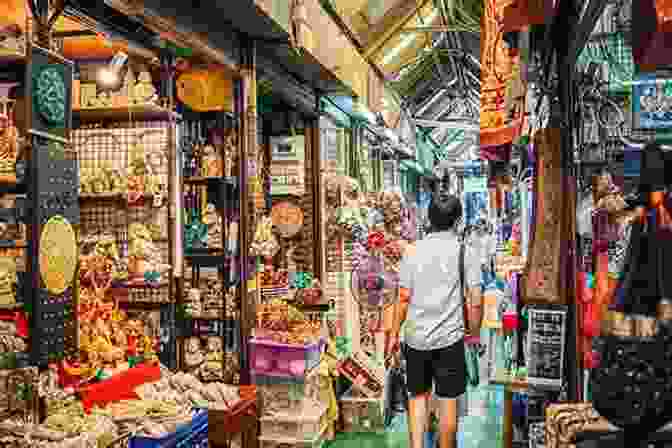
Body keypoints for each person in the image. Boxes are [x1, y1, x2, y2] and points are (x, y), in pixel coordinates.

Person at [386, 195, 483, 448]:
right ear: (458, 220)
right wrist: (473, 334)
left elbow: (404, 297)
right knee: (448, 400)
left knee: (418, 398)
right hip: (450, 340)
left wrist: (394, 335)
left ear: (429, 219)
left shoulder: (412, 251)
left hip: (415, 338)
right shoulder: (466, 252)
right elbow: (475, 300)